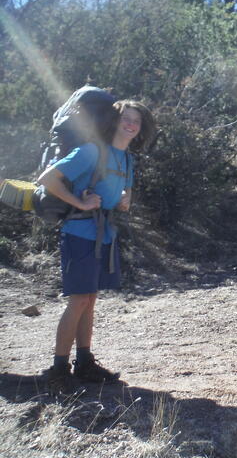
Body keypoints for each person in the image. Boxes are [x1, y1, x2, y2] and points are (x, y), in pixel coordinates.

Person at [40, 100, 156, 394]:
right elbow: (48, 179)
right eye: (126, 119)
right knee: (79, 300)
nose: (131, 124)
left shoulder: (127, 159)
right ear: (115, 121)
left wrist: (123, 201)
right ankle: (58, 370)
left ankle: (84, 362)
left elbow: (120, 197)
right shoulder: (92, 151)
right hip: (78, 232)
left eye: (136, 122)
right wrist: (79, 202)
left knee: (89, 300)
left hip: (103, 235)